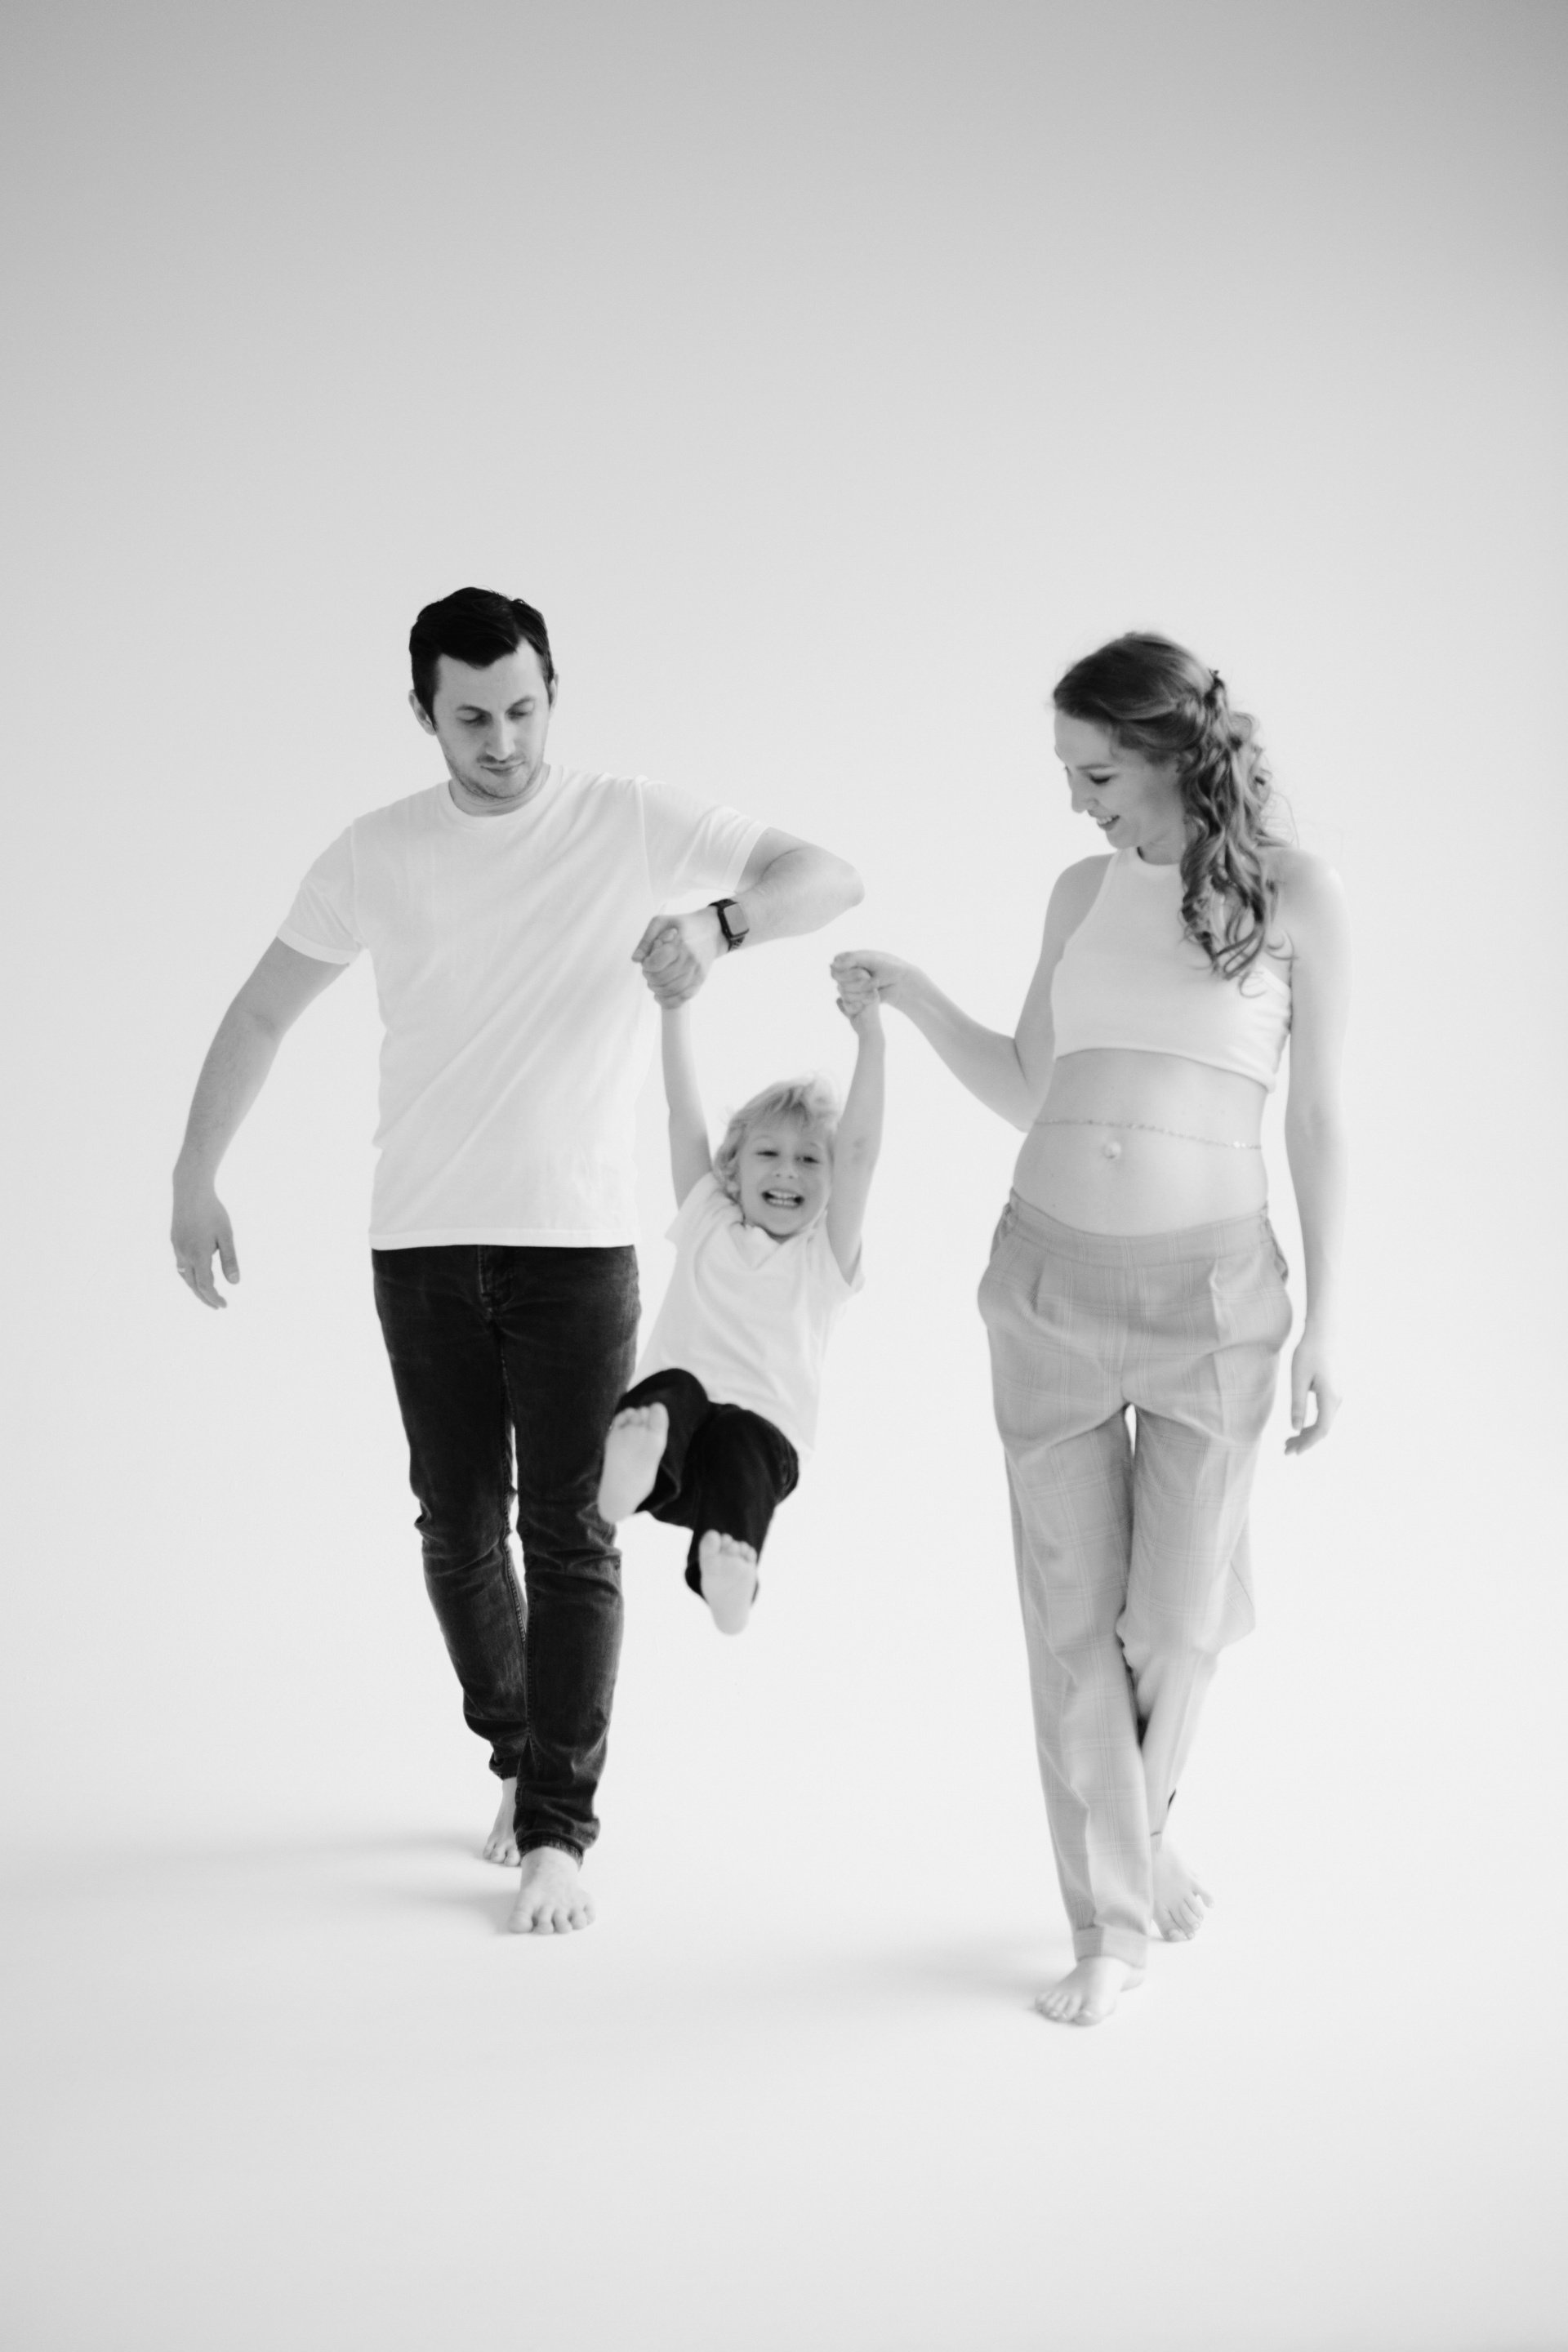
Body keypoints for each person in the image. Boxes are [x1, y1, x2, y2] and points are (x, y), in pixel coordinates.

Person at [170, 586, 862, 1936]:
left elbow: (828, 874)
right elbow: (259, 1012)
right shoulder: (376, 851)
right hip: (420, 1244)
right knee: (455, 1529)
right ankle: (516, 1751)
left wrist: (719, 926)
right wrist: (196, 1174)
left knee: (573, 1532)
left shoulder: (628, 818)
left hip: (576, 1250)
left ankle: (559, 1826)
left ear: (554, 695)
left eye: (525, 711)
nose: (503, 742)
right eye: (473, 718)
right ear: (424, 712)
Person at [834, 632, 1348, 2025]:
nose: (1077, 802)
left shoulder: (1297, 894)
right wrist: (911, 997)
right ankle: (1108, 1926)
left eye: (1098, 774)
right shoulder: (1078, 892)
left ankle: (1141, 1826)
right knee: (1073, 1634)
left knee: (1172, 1625)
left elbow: (1317, 1117)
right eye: (1067, 775)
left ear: (1176, 753)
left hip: (1215, 1300)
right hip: (1047, 1282)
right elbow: (1027, 1081)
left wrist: (1330, 1321)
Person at [596, 984, 884, 1633]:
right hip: (674, 1442)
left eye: (809, 1160)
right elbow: (682, 1115)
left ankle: (728, 1568)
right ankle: (632, 1473)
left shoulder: (824, 1259)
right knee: (676, 1388)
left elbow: (862, 1152)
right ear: (732, 1167)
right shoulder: (708, 1218)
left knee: (743, 1437)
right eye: (768, 1154)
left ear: (833, 1183)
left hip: (748, 1464)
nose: (787, 1172)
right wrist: (675, 1006)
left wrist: (871, 1037)